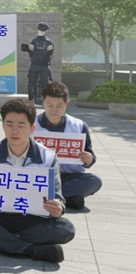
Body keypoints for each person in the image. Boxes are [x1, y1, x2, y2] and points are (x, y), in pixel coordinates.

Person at [0, 98, 74, 263]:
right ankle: (29, 249)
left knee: (66, 228)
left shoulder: (47, 157)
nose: (14, 131)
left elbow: (57, 197)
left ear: (32, 128)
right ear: (3, 125)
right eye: (9, 124)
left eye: (21, 125)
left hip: (31, 219)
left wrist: (57, 207)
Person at [36, 82, 101, 210]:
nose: (54, 110)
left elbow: (89, 156)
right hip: (41, 175)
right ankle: (69, 198)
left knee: (95, 180)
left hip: (69, 177)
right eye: (49, 105)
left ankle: (46, 198)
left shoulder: (79, 125)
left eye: (59, 105)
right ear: (42, 101)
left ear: (67, 103)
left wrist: (88, 159)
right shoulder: (31, 124)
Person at [23, 22, 54, 105]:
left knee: (31, 83)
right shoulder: (49, 42)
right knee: (46, 84)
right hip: (44, 66)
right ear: (46, 31)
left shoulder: (33, 41)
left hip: (34, 65)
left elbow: (30, 52)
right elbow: (50, 53)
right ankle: (46, 101)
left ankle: (30, 100)